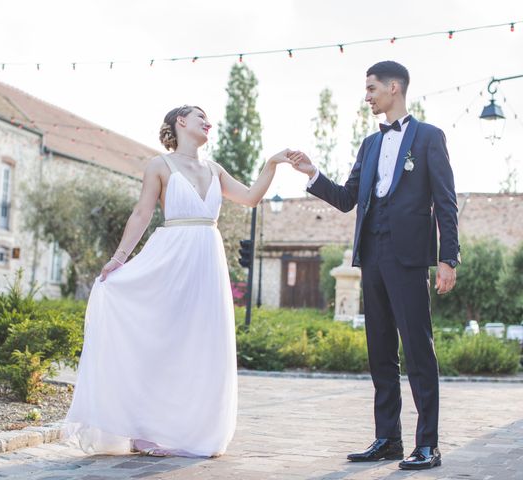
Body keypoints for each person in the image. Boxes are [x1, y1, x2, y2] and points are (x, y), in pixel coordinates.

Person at [63, 105, 291, 458]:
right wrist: (118, 259)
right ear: (180, 122)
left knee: (202, 344)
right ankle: (143, 430)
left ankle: (190, 429)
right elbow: (141, 214)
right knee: (162, 342)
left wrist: (272, 164)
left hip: (208, 260)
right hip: (171, 257)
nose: (209, 122)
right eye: (201, 116)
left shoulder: (215, 170)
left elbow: (250, 198)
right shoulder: (160, 166)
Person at [289, 61, 460, 471]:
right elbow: (348, 198)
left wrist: (447, 258)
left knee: (418, 351)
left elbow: (446, 202)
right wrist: (312, 172)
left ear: (394, 87)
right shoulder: (368, 144)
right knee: (380, 350)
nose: (366, 97)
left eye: (371, 89)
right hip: (373, 256)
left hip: (409, 258)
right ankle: (388, 439)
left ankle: (428, 445)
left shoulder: (429, 137)